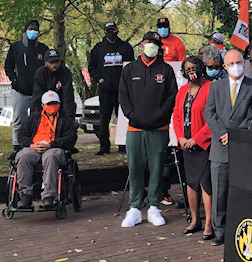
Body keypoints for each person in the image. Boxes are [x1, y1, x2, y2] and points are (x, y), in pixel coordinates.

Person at [118, 32, 178, 228]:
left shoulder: (166, 70)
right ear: (141, 45)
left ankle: (154, 206)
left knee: (157, 168)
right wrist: (133, 116)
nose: (151, 45)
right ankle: (135, 207)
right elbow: (123, 97)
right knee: (135, 167)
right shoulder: (129, 69)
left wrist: (159, 115)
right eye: (147, 42)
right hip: (135, 127)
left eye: (154, 43)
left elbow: (172, 97)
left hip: (159, 127)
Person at [204, 50, 252, 246]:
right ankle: (220, 231)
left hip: (244, 148)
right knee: (219, 193)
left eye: (239, 62)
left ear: (244, 63)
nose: (236, 65)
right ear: (224, 67)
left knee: (243, 193)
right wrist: (223, 133)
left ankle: (242, 230)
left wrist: (235, 134)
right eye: (231, 63)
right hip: (220, 148)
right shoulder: (216, 87)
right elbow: (209, 112)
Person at [173, 56, 214, 240]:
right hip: (186, 145)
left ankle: (208, 224)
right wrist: (181, 138)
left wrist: (196, 139)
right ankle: (195, 220)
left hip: (204, 145)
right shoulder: (182, 90)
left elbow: (213, 118)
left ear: (201, 68)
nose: (191, 71)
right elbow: (177, 116)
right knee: (191, 183)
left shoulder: (211, 87)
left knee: (206, 183)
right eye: (188, 69)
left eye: (194, 68)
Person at [15, 90, 77, 209]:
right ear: (43, 105)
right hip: (34, 147)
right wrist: (31, 145)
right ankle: (25, 196)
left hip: (54, 148)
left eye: (55, 103)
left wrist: (51, 144)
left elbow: (70, 139)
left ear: (59, 104)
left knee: (50, 156)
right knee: (23, 156)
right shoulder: (33, 118)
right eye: (49, 104)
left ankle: (48, 196)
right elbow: (22, 135)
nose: (52, 107)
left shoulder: (65, 120)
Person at [88, 22, 134, 156]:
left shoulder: (125, 47)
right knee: (104, 118)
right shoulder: (98, 48)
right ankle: (104, 146)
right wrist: (99, 79)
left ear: (117, 30)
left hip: (122, 89)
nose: (111, 33)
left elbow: (131, 65)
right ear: (105, 32)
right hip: (105, 89)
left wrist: (128, 83)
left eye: (113, 30)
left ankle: (123, 145)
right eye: (108, 30)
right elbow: (92, 67)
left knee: (123, 118)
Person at [4, 20, 48, 151]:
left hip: (37, 92)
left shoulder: (43, 49)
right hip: (20, 91)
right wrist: (14, 80)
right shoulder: (16, 47)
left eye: (35, 29)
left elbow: (48, 68)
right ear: (25, 30)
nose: (33, 31)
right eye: (30, 29)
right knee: (19, 119)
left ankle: (36, 143)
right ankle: (17, 145)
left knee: (38, 119)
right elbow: (8, 66)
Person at [31, 49, 76, 119]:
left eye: (56, 62)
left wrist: (68, 117)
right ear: (45, 63)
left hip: (61, 106)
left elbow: (68, 96)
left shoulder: (65, 72)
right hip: (45, 107)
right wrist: (36, 116)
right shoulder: (41, 73)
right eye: (51, 62)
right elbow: (37, 97)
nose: (54, 65)